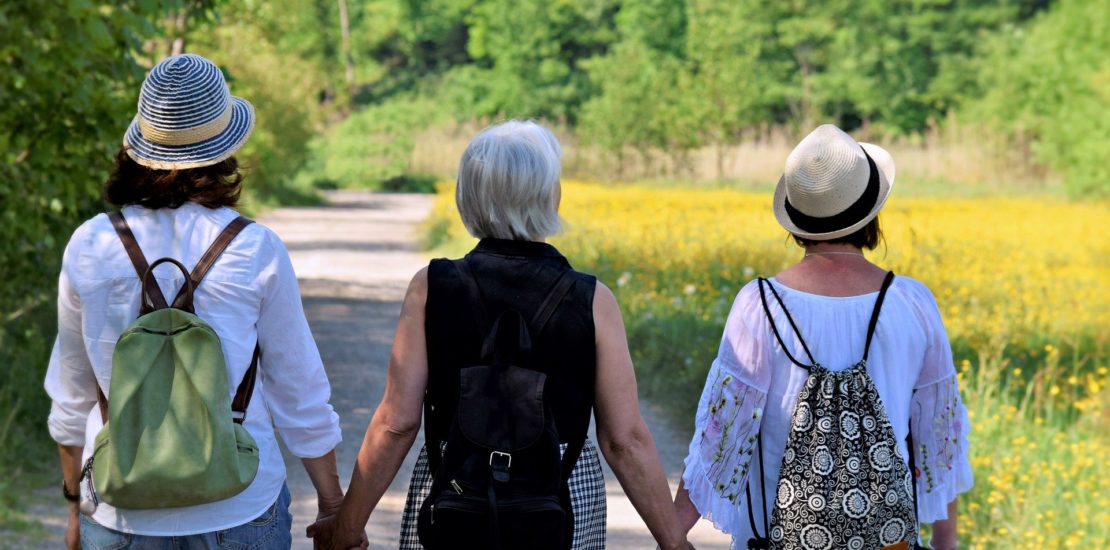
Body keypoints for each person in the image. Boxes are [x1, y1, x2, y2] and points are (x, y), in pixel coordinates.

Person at [307, 120, 693, 549]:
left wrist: (347, 527)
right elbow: (625, 440)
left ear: (466, 198)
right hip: (561, 501)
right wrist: (675, 544)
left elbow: (396, 424)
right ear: (553, 196)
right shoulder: (591, 299)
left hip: (457, 495)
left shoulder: (432, 287)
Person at [44, 54, 347, 549]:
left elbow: (71, 393)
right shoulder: (253, 247)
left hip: (121, 512)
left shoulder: (91, 244)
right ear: (225, 149)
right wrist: (334, 506)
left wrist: (75, 506)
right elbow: (298, 389)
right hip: (240, 502)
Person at [673, 125, 973, 550]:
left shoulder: (761, 304)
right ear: (871, 215)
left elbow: (724, 436)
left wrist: (672, 532)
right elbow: (939, 436)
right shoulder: (913, 303)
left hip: (776, 537)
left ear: (796, 221)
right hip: (888, 540)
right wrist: (946, 540)